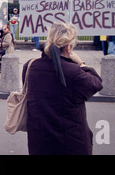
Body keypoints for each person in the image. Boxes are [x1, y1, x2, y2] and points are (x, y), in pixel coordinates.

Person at [22, 22, 102, 155]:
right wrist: (81, 63)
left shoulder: (30, 67)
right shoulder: (74, 72)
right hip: (70, 142)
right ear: (69, 48)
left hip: (40, 140)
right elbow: (96, 83)